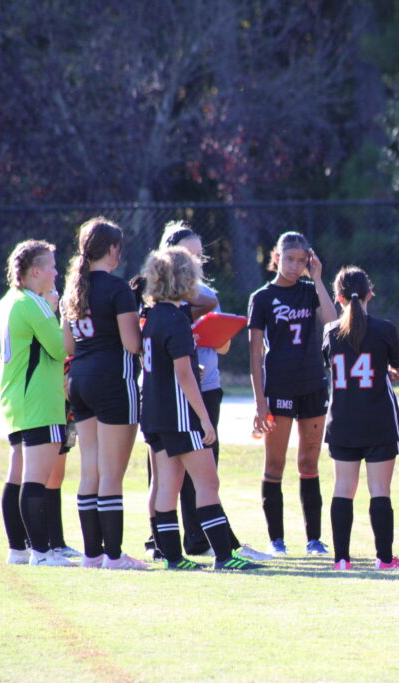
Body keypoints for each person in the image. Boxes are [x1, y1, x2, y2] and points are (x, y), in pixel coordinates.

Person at [141, 247, 262, 571]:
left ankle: (173, 558)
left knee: (167, 485)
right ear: (184, 279)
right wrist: (205, 420)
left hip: (154, 413)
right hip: (180, 416)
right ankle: (224, 556)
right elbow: (183, 375)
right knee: (208, 483)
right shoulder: (177, 319)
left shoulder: (152, 317)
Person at [62, 218, 146, 569]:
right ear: (113, 250)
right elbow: (131, 343)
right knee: (111, 473)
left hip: (80, 380)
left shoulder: (72, 289)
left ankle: (92, 555)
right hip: (113, 381)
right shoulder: (117, 288)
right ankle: (113, 555)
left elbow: (68, 344)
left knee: (91, 470)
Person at [249, 231, 337, 556]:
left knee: (309, 463)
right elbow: (255, 354)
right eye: (290, 259)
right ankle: (277, 541)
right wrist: (260, 403)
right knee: (274, 463)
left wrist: (318, 279)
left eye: (302, 260)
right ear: (277, 257)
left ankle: (314, 540)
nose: (295, 265)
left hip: (313, 385)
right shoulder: (262, 297)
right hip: (279, 389)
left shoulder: (309, 291)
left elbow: (333, 323)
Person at [0, 240, 73, 567]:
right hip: (39, 402)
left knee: (18, 475)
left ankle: (18, 550)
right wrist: (63, 314)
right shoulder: (33, 303)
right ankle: (42, 552)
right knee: (35, 480)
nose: (56, 271)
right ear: (35, 271)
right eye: (52, 265)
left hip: (15, 402)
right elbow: (62, 348)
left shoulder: (5, 304)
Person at [323, 267, 399, 570]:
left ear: (339, 297)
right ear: (369, 293)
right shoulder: (384, 329)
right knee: (380, 491)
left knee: (343, 489)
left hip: (343, 421)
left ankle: (341, 560)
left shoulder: (330, 331)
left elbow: (331, 364)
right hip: (378, 420)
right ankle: (384, 559)